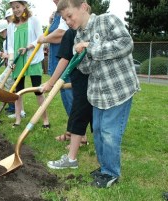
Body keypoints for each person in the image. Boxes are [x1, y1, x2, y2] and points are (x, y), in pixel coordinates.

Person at [57, 0, 140, 188]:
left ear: (84, 7)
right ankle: (104, 168)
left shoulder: (107, 20)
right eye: (64, 19)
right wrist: (80, 56)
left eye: (70, 16)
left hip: (118, 90)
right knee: (99, 132)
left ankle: (111, 173)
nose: (68, 22)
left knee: (110, 133)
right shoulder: (78, 37)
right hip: (97, 93)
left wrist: (91, 48)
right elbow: (86, 69)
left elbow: (126, 44)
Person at [43, 28, 92, 172]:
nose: (68, 20)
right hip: (79, 81)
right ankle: (73, 151)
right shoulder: (73, 32)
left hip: (87, 83)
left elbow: (65, 59)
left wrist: (51, 82)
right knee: (77, 114)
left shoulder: (72, 32)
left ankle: (73, 156)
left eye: (68, 16)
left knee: (80, 114)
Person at [38, 0, 76, 141]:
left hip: (65, 64)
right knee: (67, 98)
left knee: (70, 98)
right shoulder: (58, 13)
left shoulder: (69, 9)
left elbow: (62, 34)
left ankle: (80, 135)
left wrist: (44, 38)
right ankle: (71, 131)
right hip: (59, 62)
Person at [7, 0, 49, 128]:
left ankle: (45, 120)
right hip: (18, 61)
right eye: (13, 8)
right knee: (18, 92)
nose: (15, 10)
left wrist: (28, 47)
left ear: (24, 6)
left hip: (32, 59)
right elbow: (10, 46)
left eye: (18, 7)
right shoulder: (11, 26)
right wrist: (11, 61)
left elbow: (40, 38)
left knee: (38, 90)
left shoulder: (34, 20)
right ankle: (18, 120)